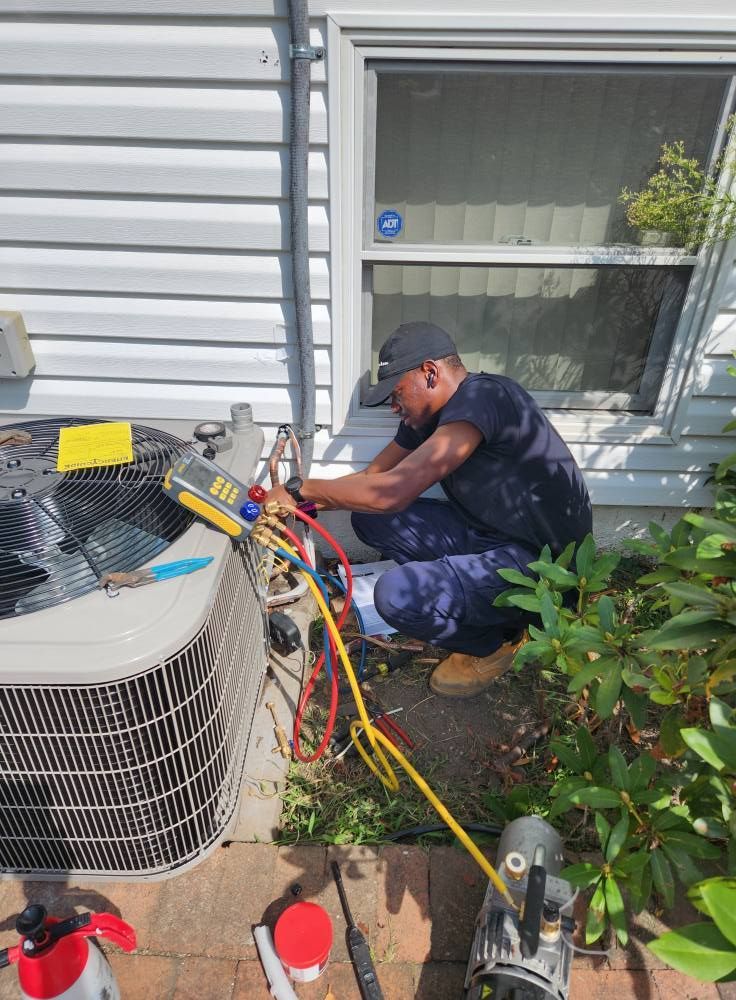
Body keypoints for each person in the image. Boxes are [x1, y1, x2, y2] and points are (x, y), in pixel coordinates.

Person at [265, 321, 592, 697]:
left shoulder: (485, 397)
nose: (393, 407)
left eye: (397, 393)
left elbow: (393, 492)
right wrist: (304, 502)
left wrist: (300, 487)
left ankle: (496, 643)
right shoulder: (427, 417)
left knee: (395, 596)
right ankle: (466, 596)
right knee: (369, 517)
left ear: (430, 373)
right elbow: (374, 478)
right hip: (489, 536)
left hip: (543, 567)